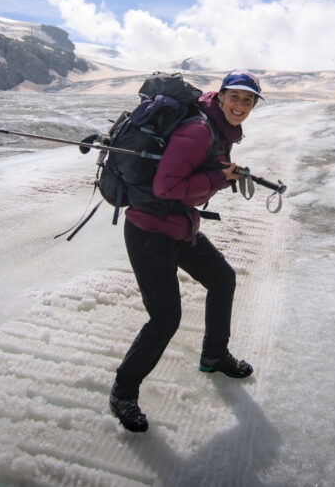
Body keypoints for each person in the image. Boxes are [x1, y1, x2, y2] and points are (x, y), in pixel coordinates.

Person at [109, 69, 264, 433]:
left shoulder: (218, 129)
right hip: (151, 231)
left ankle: (214, 354)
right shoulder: (199, 131)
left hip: (179, 226)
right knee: (165, 319)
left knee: (222, 279)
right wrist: (217, 178)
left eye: (248, 100)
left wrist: (224, 174)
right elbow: (166, 186)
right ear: (221, 96)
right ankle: (123, 392)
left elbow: (196, 175)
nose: (240, 105)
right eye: (235, 97)